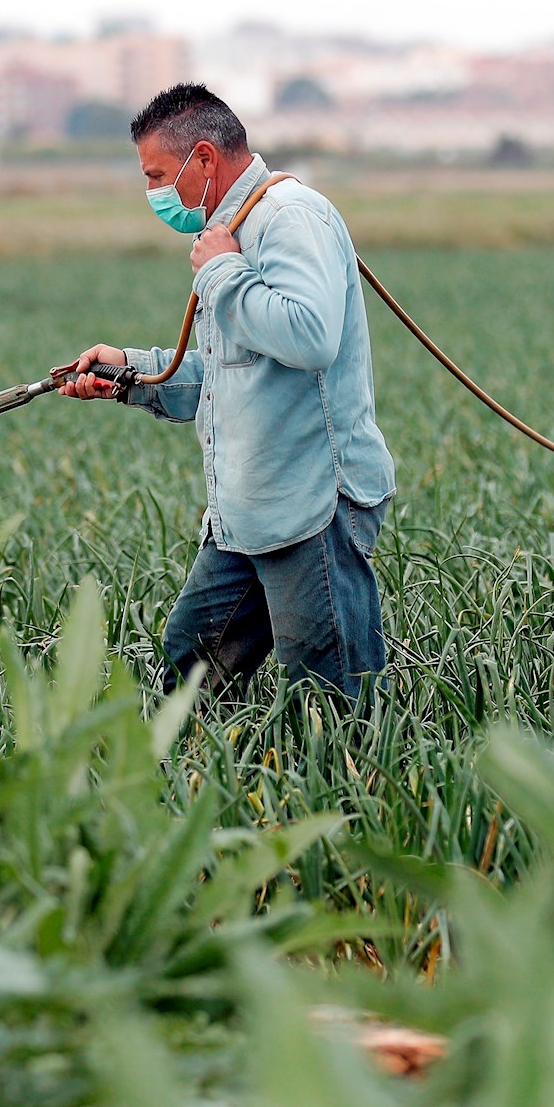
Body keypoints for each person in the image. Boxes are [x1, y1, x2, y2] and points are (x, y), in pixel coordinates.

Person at [59, 83, 395, 700]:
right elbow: (228, 373)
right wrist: (129, 373)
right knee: (192, 659)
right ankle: (195, 784)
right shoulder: (231, 228)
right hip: (249, 509)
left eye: (159, 175)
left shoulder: (289, 217)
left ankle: (358, 792)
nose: (154, 194)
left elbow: (310, 336)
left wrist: (220, 271)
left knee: (331, 693)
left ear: (205, 159)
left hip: (312, 501)